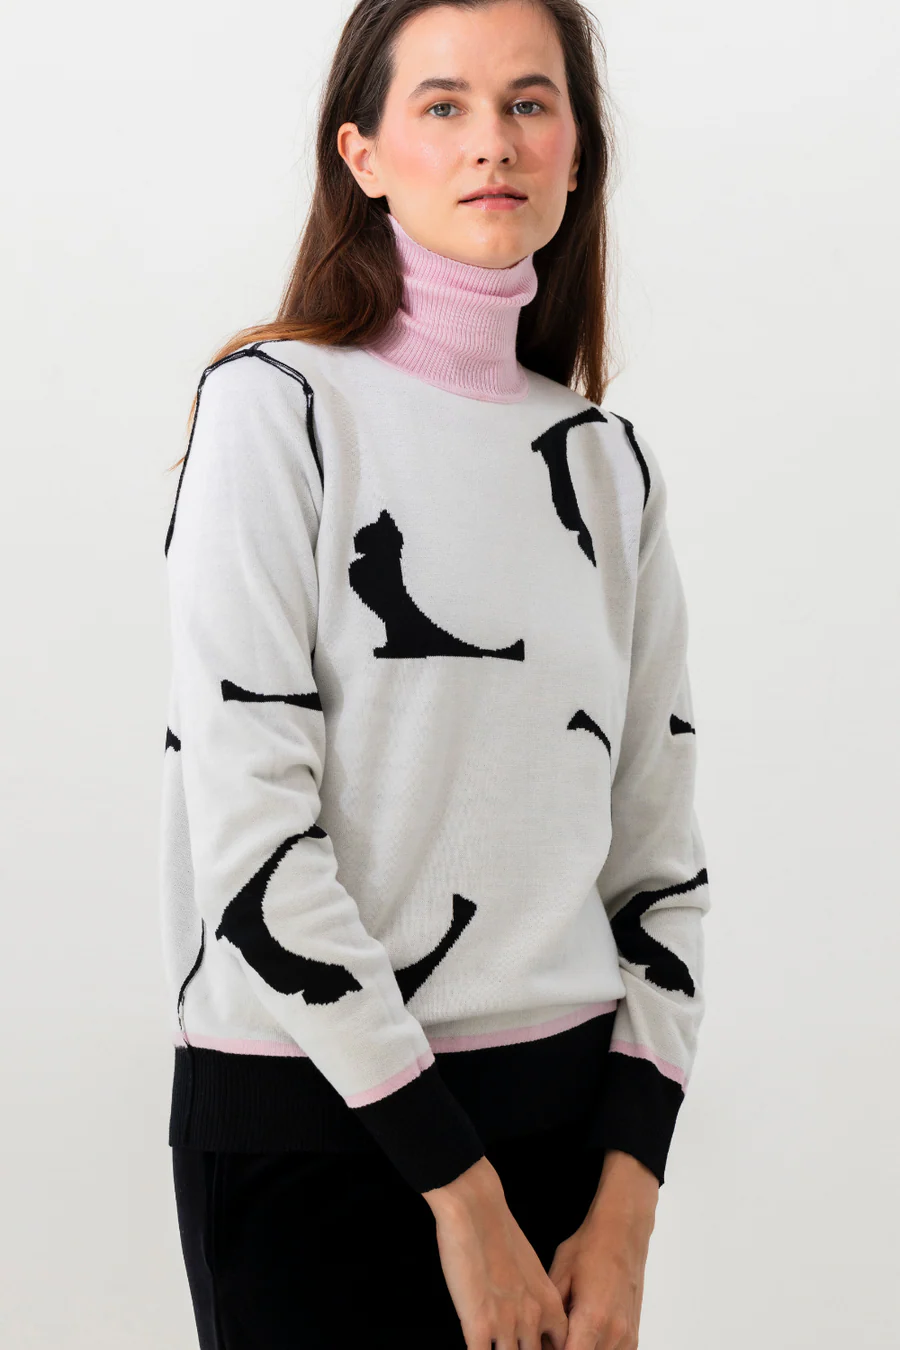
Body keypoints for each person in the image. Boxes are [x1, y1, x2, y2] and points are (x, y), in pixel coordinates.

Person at [159, 1, 712, 1346]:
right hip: (315, 1136)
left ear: (577, 152)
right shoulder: (274, 406)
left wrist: (627, 1208)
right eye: (444, 105)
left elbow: (660, 862)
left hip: (572, 1141)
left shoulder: (607, 464)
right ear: (361, 154)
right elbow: (250, 835)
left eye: (530, 103)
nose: (492, 143)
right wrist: (461, 1196)